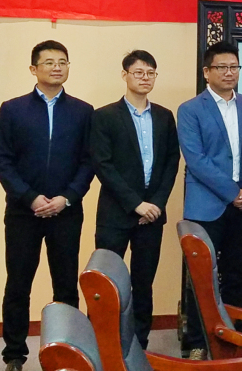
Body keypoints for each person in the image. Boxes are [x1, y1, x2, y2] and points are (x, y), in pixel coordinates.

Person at [0, 41, 94, 371]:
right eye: (49, 62)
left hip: (66, 211)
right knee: (18, 284)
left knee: (65, 283)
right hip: (23, 212)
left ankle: (66, 352)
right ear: (33, 69)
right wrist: (30, 197)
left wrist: (67, 197)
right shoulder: (12, 109)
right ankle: (14, 355)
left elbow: (89, 161)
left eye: (62, 62)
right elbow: (2, 159)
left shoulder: (83, 111)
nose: (56, 67)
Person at [177, 41, 242, 360]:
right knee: (200, 277)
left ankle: (233, 336)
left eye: (234, 67)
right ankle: (197, 342)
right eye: (222, 67)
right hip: (206, 206)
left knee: (236, 273)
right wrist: (232, 193)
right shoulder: (190, 109)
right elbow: (196, 160)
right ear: (207, 72)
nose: (229, 73)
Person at [90, 50, 180, 349]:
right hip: (115, 214)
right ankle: (102, 343)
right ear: (125, 75)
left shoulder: (164, 116)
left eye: (151, 73)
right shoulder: (104, 116)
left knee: (143, 283)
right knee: (107, 282)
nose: (145, 78)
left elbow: (171, 162)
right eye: (139, 72)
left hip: (152, 215)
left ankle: (139, 344)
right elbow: (103, 165)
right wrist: (135, 204)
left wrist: (156, 203)